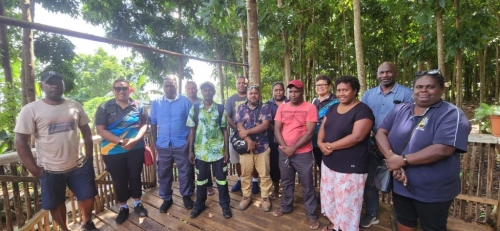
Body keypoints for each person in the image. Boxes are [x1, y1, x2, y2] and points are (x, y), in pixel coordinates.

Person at [375, 69, 471, 231]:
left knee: (432, 227)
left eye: (430, 87)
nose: (423, 90)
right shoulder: (401, 109)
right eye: (419, 87)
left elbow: (443, 149)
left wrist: (402, 160)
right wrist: (393, 160)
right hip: (401, 185)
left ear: (442, 89)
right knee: (404, 222)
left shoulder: (451, 114)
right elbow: (380, 132)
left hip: (433, 190)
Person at [14, 71, 98, 231]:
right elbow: (20, 141)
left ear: (63, 85)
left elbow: (86, 131)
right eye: (50, 83)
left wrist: (89, 157)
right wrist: (34, 169)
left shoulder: (74, 105)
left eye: (58, 82)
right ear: (42, 86)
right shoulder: (31, 109)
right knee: (56, 203)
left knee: (88, 196)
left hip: (79, 165)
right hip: (49, 169)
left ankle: (86, 222)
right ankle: (65, 229)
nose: (55, 86)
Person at [317, 76, 374, 231]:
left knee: (348, 201)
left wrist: (330, 146)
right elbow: (323, 126)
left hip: (350, 165)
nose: (341, 93)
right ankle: (335, 223)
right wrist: (320, 143)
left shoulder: (363, 110)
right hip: (329, 162)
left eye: (345, 90)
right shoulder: (332, 107)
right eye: (339, 90)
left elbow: (357, 137)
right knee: (332, 197)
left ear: (355, 91)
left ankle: (346, 227)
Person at [360, 61, 413, 228]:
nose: (385, 75)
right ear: (377, 74)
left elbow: (411, 121)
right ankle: (372, 214)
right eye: (381, 72)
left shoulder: (407, 93)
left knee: (400, 182)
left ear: (395, 72)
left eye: (388, 72)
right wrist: (374, 137)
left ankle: (400, 218)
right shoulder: (368, 94)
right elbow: (363, 118)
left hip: (398, 148)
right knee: (370, 182)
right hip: (372, 146)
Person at [94, 78, 149, 224]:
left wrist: (136, 140)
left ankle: (138, 203)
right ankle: (123, 207)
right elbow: (100, 129)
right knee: (119, 180)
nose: (121, 91)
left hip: (135, 148)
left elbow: (144, 125)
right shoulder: (104, 107)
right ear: (113, 90)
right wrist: (120, 141)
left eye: (124, 88)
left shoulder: (138, 105)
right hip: (112, 151)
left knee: (135, 176)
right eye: (117, 88)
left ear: (129, 89)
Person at [273, 80, 320, 230]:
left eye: (296, 91)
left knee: (307, 185)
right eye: (291, 92)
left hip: (303, 153)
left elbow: (310, 132)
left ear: (302, 92)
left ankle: (311, 213)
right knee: (286, 181)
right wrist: (284, 147)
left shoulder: (310, 107)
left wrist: (293, 147)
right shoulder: (282, 107)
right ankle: (286, 206)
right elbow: (277, 129)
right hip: (284, 152)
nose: (293, 94)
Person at [187, 81, 232, 218]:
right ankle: (199, 205)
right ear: (202, 92)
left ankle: (225, 205)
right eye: (205, 90)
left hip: (218, 152)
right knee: (200, 181)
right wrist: (190, 151)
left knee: (222, 180)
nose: (207, 92)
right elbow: (192, 131)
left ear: (213, 92)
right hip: (201, 152)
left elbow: (225, 130)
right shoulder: (195, 109)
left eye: (209, 90)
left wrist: (226, 150)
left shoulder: (220, 108)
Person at [150, 77, 194, 213]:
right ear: (163, 86)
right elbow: (153, 122)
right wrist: (155, 140)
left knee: (185, 172)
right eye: (166, 85)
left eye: (172, 85)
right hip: (163, 144)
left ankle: (186, 196)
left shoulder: (185, 102)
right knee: (163, 172)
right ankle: (167, 198)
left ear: (176, 86)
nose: (169, 88)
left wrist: (188, 142)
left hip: (181, 143)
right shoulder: (156, 103)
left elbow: (192, 124)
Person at [235, 85, 273, 212]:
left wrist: (246, 132)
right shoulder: (240, 108)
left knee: (264, 174)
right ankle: (246, 196)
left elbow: (265, 126)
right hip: (246, 148)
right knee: (245, 173)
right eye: (251, 93)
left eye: (256, 93)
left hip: (263, 147)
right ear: (247, 94)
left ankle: (265, 197)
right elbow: (239, 127)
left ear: (259, 94)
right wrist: (249, 141)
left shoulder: (265, 107)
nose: (253, 95)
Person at [225, 76, 260, 194]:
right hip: (236, 135)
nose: (241, 85)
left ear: (247, 84)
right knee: (237, 159)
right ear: (236, 85)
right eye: (239, 83)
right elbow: (228, 116)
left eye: (243, 83)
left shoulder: (252, 95)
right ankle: (240, 180)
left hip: (252, 134)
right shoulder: (231, 100)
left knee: (253, 157)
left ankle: (255, 180)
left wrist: (246, 132)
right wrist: (238, 129)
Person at [185, 81, 215, 196]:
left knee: (204, 163)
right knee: (191, 163)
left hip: (202, 139)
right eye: (188, 88)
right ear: (186, 89)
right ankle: (192, 186)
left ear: (197, 90)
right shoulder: (183, 101)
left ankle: (208, 185)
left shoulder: (202, 102)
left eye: (193, 88)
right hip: (187, 135)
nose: (191, 90)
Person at [265, 82, 289, 199]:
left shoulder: (290, 103)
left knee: (287, 165)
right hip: (272, 140)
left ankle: (287, 190)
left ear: (284, 91)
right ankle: (276, 189)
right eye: (276, 90)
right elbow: (266, 121)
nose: (278, 92)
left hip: (289, 139)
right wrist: (276, 130)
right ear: (272, 91)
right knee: (274, 165)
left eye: (280, 90)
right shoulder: (267, 105)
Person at [311, 75, 338, 172]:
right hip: (315, 141)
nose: (320, 87)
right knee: (321, 166)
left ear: (329, 86)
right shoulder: (314, 101)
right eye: (318, 85)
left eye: (323, 85)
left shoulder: (336, 101)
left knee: (331, 168)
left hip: (329, 140)